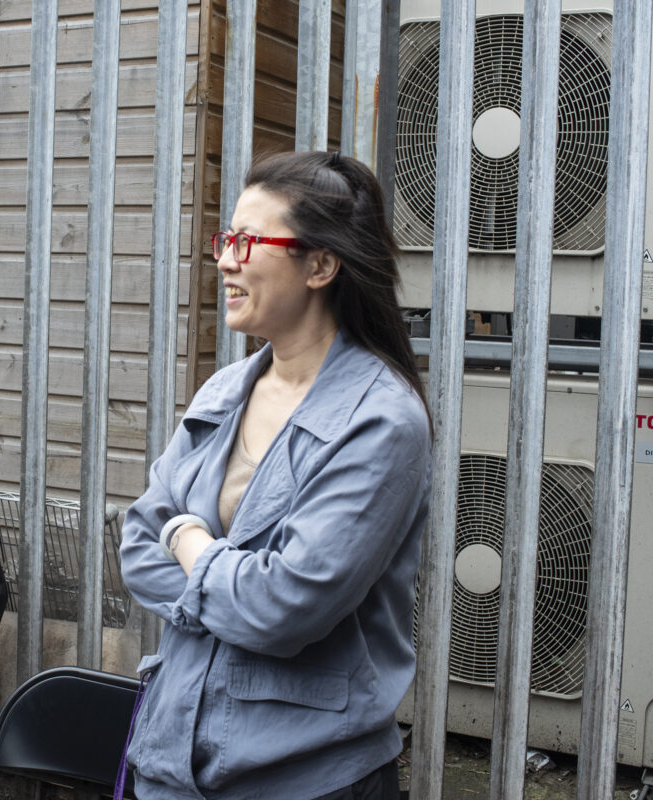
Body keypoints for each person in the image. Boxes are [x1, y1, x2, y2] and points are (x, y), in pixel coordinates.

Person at [119, 150, 431, 800]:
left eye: (248, 241)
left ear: (320, 265)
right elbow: (138, 545)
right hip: (172, 763)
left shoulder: (380, 420)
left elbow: (284, 607)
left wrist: (189, 540)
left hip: (305, 776)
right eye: (225, 239)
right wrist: (231, 590)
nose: (225, 260)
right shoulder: (224, 391)